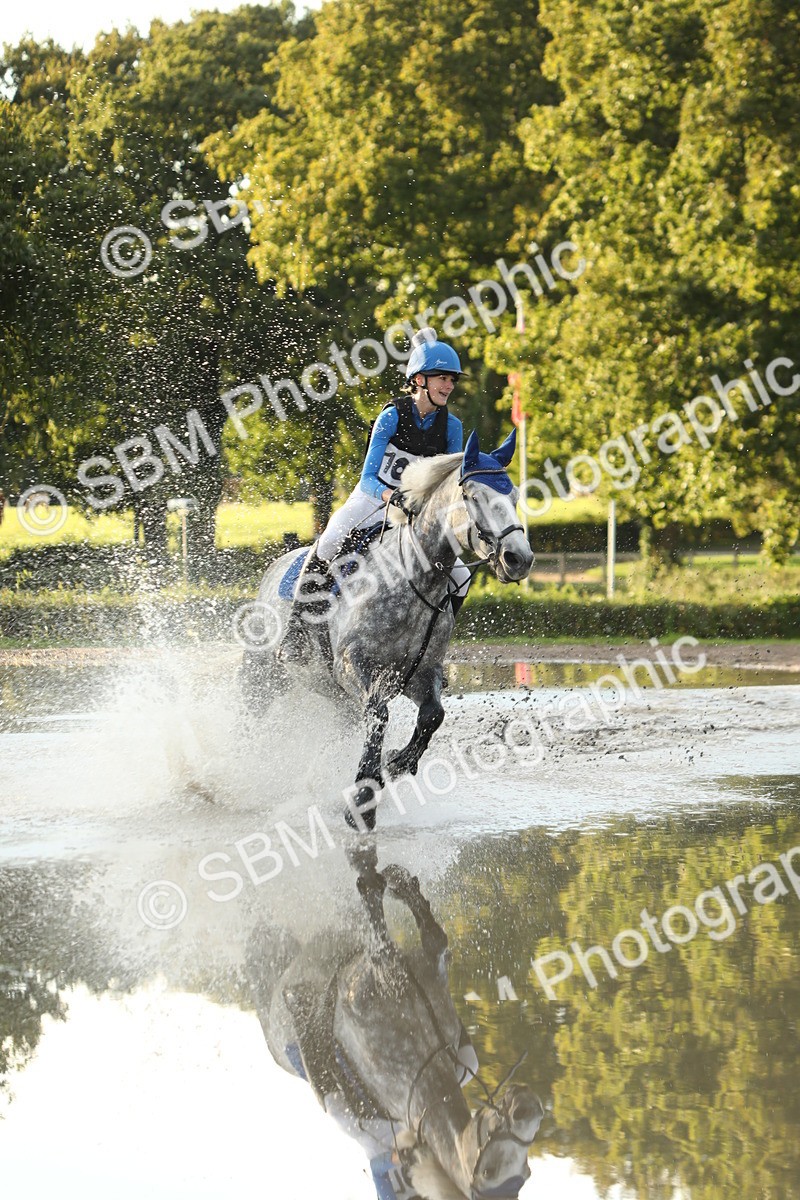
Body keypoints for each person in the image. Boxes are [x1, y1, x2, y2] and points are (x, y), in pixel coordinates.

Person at [279, 328, 472, 663]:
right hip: (373, 498)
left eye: (451, 380)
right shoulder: (392, 416)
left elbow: (448, 485)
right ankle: (295, 630)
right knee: (331, 539)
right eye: (442, 378)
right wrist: (389, 496)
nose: (449, 386)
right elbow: (367, 478)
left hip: (415, 510)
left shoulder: (452, 427)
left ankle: (433, 645)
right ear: (419, 380)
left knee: (461, 576)